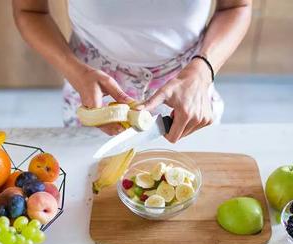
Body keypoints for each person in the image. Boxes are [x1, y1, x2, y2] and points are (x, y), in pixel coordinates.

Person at [13, 0, 252, 143]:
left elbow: (236, 6)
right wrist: (75, 71)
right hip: (92, 82)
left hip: (188, 84)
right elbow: (30, 11)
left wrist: (202, 72)